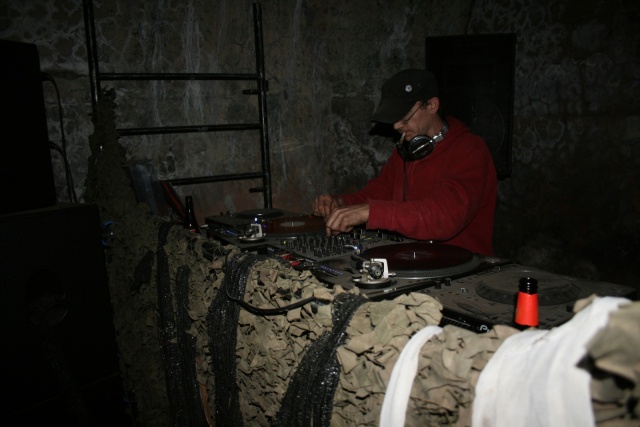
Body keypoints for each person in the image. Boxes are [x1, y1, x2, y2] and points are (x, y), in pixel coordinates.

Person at [312, 69, 497, 256]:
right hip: (415, 260)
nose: (396, 125)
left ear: (432, 106)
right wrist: (342, 203)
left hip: (460, 265)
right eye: (393, 117)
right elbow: (382, 191)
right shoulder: (406, 150)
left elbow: (445, 216)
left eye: (405, 116)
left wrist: (371, 212)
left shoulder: (470, 151)